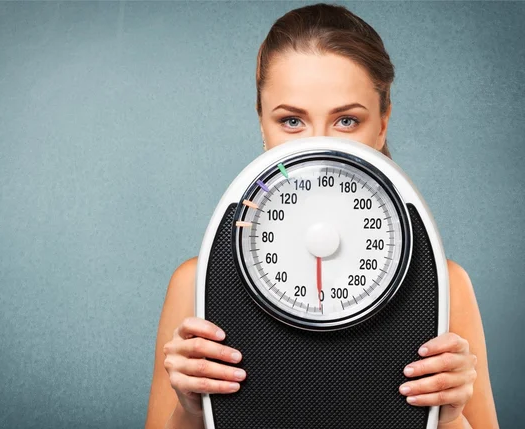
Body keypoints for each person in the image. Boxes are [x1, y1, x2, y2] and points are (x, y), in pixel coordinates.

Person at [144, 3, 499, 429]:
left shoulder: (444, 285)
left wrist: (448, 417)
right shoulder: (197, 283)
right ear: (262, 123)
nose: (319, 149)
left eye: (347, 120)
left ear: (383, 122)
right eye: (292, 121)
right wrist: (189, 410)